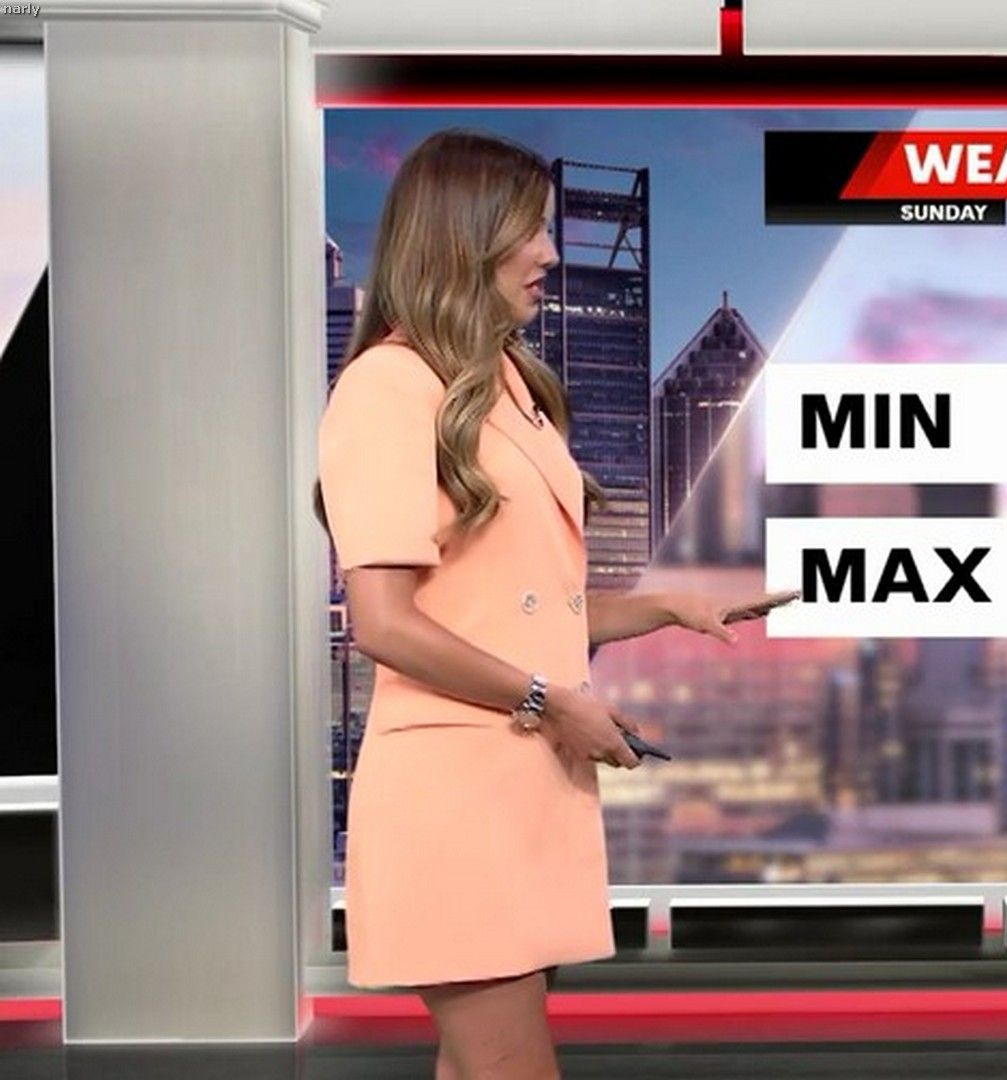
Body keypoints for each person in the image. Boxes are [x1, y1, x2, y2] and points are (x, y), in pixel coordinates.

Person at [312, 128, 795, 1079]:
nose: (550, 252)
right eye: (529, 230)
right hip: (457, 796)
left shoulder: (506, 385)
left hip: (524, 786)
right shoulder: (387, 386)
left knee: (477, 1067)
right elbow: (385, 622)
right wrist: (552, 702)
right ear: (463, 237)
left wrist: (670, 606)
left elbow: (524, 607)